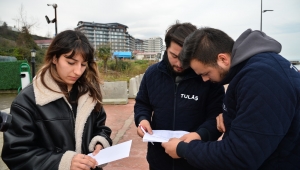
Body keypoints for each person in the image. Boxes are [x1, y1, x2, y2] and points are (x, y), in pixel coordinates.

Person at [162, 27, 300, 169]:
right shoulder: (258, 68)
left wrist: (183, 149)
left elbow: (239, 157)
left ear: (223, 59)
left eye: (206, 73)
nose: (204, 80)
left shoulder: (260, 77)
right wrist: (232, 117)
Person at [1, 30, 112, 170]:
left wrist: (100, 142)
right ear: (54, 58)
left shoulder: (90, 94)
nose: (78, 71)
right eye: (71, 62)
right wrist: (62, 162)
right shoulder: (27, 100)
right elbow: (16, 154)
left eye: (83, 65)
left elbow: (100, 127)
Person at [134, 22, 225, 170]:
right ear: (166, 48)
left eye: (185, 57)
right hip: (158, 160)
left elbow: (216, 116)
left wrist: (199, 135)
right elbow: (142, 103)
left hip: (196, 160)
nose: (180, 63)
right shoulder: (152, 74)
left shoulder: (208, 78)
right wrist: (142, 119)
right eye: (174, 56)